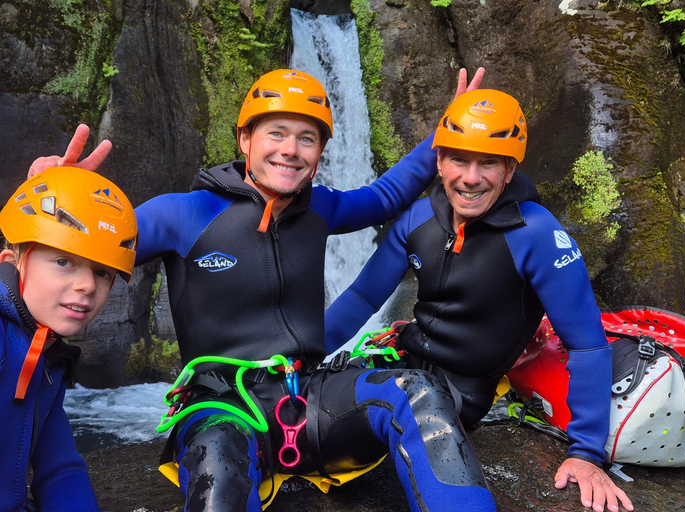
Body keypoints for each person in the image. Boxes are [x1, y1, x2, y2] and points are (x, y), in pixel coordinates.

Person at [29, 68, 501, 511]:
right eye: (276, 133)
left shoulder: (321, 210)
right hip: (220, 404)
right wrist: (54, 198)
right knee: (218, 454)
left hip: (309, 397)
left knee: (415, 390)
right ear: (245, 139)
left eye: (307, 138)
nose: (290, 150)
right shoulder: (182, 214)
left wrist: (447, 135)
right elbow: (92, 247)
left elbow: (383, 198)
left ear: (320, 152)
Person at [325, 89, 635, 512]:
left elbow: (587, 343)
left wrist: (585, 454)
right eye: (459, 159)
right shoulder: (418, 218)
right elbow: (361, 298)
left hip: (461, 390)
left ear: (509, 169)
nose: (471, 178)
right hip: (404, 361)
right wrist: (298, 353)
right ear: (439, 162)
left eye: (488, 162)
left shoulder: (537, 234)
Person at [1, 166, 138, 511]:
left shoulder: (48, 361)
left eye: (102, 272)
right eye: (64, 261)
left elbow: (60, 470)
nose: (88, 286)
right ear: (11, 263)